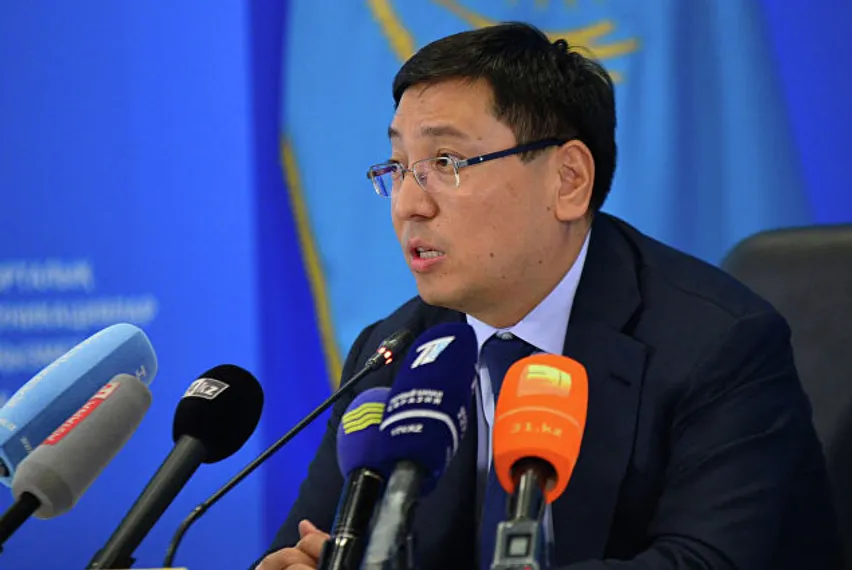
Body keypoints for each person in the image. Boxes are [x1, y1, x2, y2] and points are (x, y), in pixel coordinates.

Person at [254, 22, 842, 570]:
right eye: (398, 167)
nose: (408, 204)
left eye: (446, 162)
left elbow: (704, 562)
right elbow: (306, 542)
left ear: (568, 181)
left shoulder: (717, 345)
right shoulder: (394, 351)